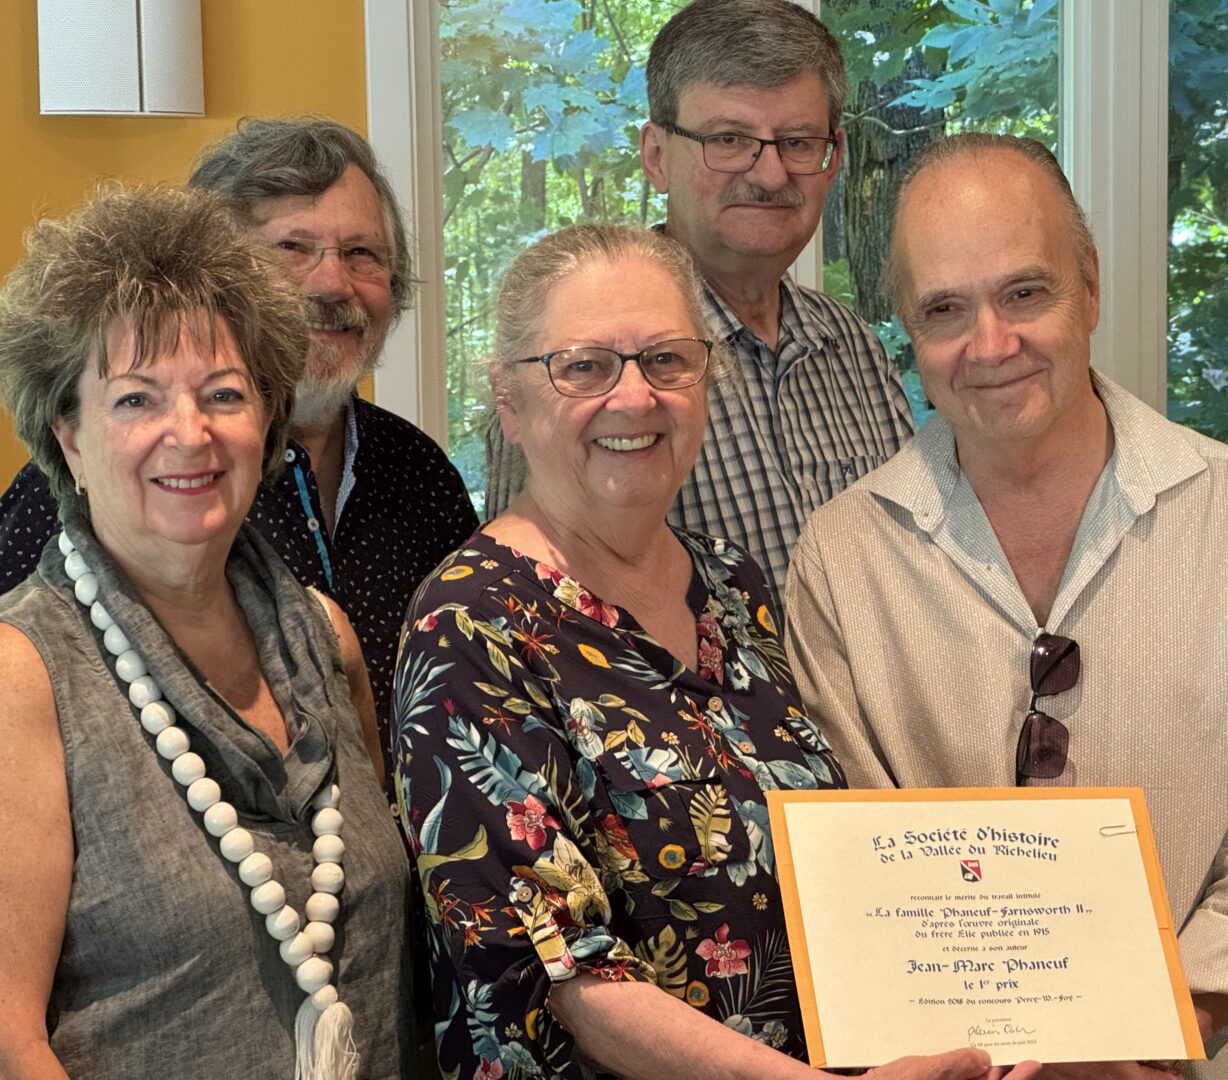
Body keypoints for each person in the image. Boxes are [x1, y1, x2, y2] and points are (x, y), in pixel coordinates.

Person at [395, 224, 1036, 1080]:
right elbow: (561, 969)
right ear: (510, 404)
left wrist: (991, 1023)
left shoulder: (735, 588)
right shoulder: (470, 623)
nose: (634, 397)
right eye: (584, 366)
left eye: (667, 361)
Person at [784, 134, 1228, 1079]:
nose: (991, 345)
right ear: (905, 329)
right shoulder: (843, 557)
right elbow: (860, 847)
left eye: (1025, 293)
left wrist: (1169, 1027)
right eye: (944, 310)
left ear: (1088, 285)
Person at [0, 186, 416, 1077]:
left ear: (266, 417)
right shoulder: (21, 679)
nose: (188, 434)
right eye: (137, 401)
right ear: (68, 433)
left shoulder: (326, 639)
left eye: (223, 394)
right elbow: (9, 1042)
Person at [0, 117, 478, 753]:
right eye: (292, 247)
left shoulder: (420, 470)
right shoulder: (98, 481)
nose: (334, 285)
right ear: (219, 283)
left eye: (361, 253)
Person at [486, 0, 914, 607]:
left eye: (796, 142)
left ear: (833, 156)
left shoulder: (854, 350)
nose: (769, 175)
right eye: (729, 139)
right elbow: (520, 603)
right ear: (657, 156)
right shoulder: (572, 367)